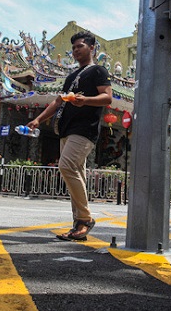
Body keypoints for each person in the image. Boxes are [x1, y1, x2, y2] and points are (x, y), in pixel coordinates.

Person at [29, 31, 112, 241]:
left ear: (91, 48)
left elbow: (107, 97)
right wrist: (38, 119)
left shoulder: (98, 71)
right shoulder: (71, 77)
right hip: (65, 130)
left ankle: (85, 218)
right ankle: (79, 225)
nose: (76, 50)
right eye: (73, 47)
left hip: (84, 129)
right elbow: (58, 101)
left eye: (80, 46)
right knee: (76, 175)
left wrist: (86, 100)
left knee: (65, 166)